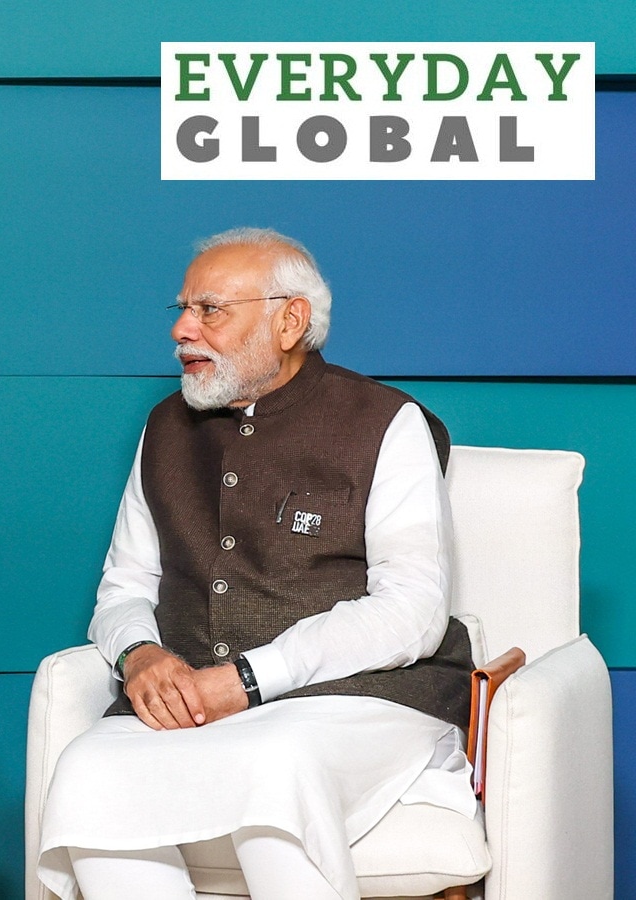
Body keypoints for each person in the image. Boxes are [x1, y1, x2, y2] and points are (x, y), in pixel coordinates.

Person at [38, 228, 475, 900]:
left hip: (362, 699)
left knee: (271, 763)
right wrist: (140, 656)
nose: (183, 330)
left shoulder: (387, 422)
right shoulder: (164, 428)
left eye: (211, 309)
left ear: (290, 321)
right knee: (88, 767)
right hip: (200, 705)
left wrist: (248, 679)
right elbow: (125, 585)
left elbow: (412, 610)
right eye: (183, 309)